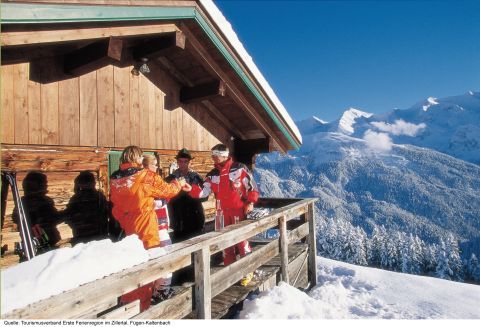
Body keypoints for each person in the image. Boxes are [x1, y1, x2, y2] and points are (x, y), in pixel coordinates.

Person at [109, 146, 191, 310]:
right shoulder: (145, 175)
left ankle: (127, 304)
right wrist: (179, 182)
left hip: (127, 228)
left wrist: (125, 218)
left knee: (132, 266)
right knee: (148, 269)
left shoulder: (115, 179)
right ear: (138, 159)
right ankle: (143, 309)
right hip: (146, 228)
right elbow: (168, 190)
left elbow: (115, 207)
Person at [189, 144, 259, 285]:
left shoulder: (239, 168)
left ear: (224, 155)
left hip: (238, 210)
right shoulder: (212, 174)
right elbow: (204, 192)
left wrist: (251, 202)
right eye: (212, 154)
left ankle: (248, 270)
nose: (213, 157)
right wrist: (190, 189)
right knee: (225, 243)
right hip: (221, 213)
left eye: (215, 154)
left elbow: (252, 186)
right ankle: (230, 272)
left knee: (241, 241)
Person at [142, 155, 176, 302]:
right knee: (166, 259)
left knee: (165, 258)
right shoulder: (145, 180)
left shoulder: (155, 179)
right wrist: (166, 197)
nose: (157, 167)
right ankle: (159, 291)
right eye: (154, 164)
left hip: (161, 225)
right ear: (145, 165)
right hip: (153, 227)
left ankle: (160, 290)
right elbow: (151, 202)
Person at [166, 148, 206, 243]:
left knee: (197, 245)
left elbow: (205, 197)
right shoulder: (170, 178)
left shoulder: (197, 177)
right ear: (177, 162)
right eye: (180, 161)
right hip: (177, 219)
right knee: (179, 246)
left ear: (189, 163)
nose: (183, 164)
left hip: (195, 217)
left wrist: (192, 190)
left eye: (185, 162)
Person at [61, 171, 109, 246]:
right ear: (93, 183)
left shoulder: (75, 198)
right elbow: (107, 212)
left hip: (81, 238)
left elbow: (69, 217)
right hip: (99, 237)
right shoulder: (99, 196)